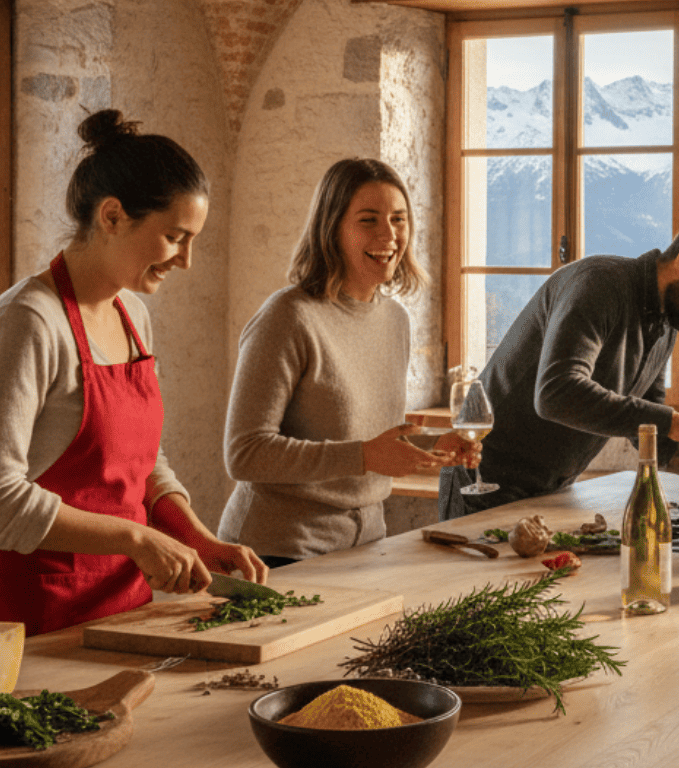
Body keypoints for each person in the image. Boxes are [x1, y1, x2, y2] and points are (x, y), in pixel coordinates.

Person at [0, 110, 265, 636]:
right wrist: (136, 539)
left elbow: (142, 463)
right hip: (36, 622)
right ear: (113, 216)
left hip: (128, 610)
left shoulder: (134, 315)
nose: (186, 261)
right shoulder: (29, 320)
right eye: (174, 236)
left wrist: (194, 537)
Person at [219, 159, 477, 567]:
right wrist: (364, 457)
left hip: (368, 545)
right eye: (368, 220)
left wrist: (431, 448)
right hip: (276, 551)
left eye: (398, 219)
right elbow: (245, 453)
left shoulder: (395, 320)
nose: (389, 235)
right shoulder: (289, 316)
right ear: (332, 228)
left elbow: (370, 441)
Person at [438, 214, 679, 520]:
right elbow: (556, 393)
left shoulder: (667, 322)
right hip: (485, 480)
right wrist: (674, 422)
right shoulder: (598, 284)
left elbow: (647, 423)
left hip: (554, 488)